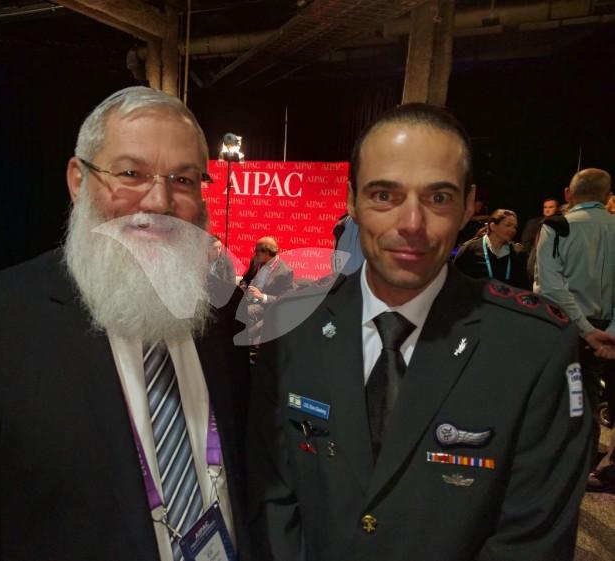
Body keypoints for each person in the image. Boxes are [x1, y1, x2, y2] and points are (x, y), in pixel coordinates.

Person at [0, 87, 250, 561]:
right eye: (130, 173)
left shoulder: (220, 310)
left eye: (183, 179)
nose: (160, 201)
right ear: (78, 180)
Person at [248, 103, 592, 561]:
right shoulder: (294, 326)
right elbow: (273, 495)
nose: (411, 224)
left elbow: (532, 538)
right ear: (351, 201)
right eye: (384, 196)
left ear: (471, 205)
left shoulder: (533, 349)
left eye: (438, 198)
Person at [534, 168, 615, 491]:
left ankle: (550, 473)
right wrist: (607, 331)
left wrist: (583, 329)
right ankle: (580, 473)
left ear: (568, 194)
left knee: (554, 398)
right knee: (591, 401)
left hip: (563, 326)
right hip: (605, 335)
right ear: (607, 196)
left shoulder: (557, 226)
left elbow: (551, 287)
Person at [453, 208, 530, 289]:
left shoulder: (518, 253)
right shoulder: (470, 249)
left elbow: (523, 287)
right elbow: (456, 280)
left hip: (506, 301)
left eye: (515, 227)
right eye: (508, 225)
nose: (512, 230)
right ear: (493, 226)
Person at [241, 237, 294, 342]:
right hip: (246, 299)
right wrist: (242, 289)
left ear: (267, 253)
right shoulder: (255, 261)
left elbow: (285, 299)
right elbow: (245, 280)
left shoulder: (285, 272)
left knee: (244, 312)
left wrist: (262, 297)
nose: (255, 253)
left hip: (264, 306)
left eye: (257, 251)